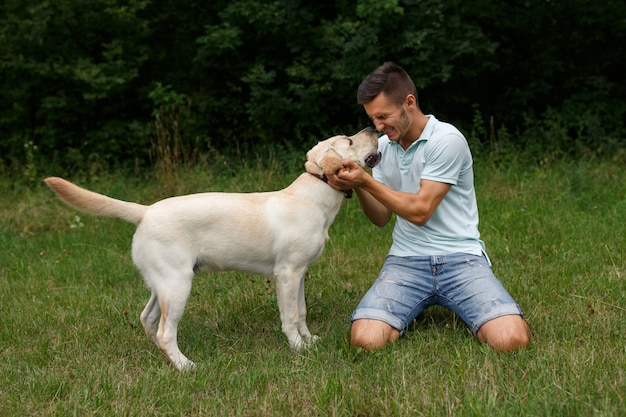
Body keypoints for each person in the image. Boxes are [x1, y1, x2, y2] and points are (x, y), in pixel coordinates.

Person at [327, 62, 530, 352]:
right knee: (366, 340)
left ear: (409, 102)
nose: (378, 127)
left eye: (384, 116)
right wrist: (358, 184)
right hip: (405, 260)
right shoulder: (382, 148)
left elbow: (420, 212)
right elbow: (382, 217)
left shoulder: (446, 140)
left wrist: (367, 182)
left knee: (511, 340)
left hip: (462, 259)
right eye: (373, 119)